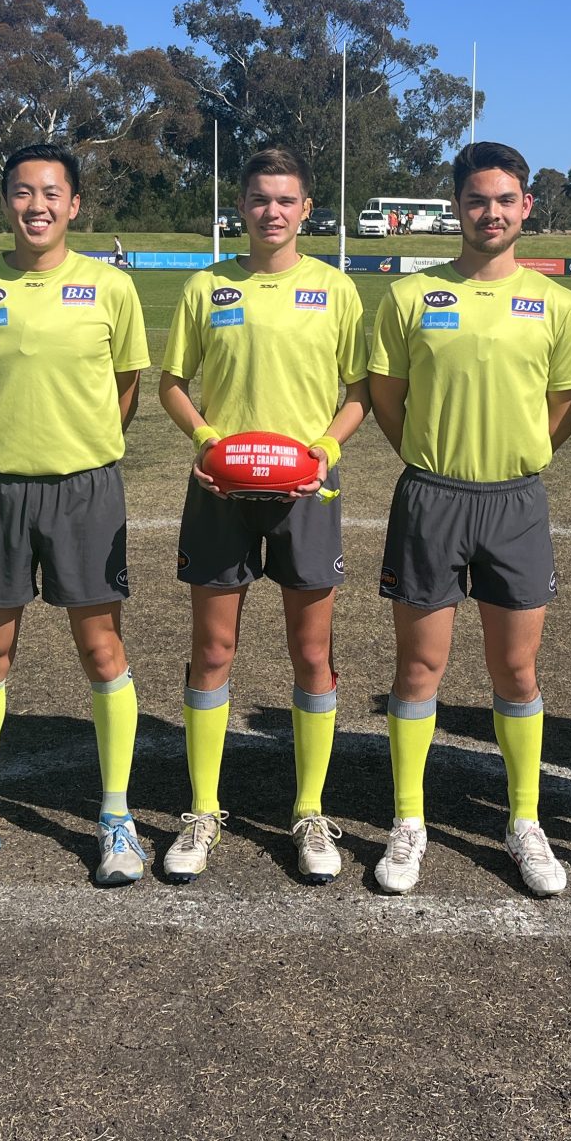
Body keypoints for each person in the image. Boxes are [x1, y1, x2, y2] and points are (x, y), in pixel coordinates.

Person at [0, 144, 152, 887]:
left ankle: (116, 817)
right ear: (6, 202)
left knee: (101, 652)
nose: (37, 206)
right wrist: (11, 441)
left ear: (76, 203)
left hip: (86, 490)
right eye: (23, 193)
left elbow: (126, 387)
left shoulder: (109, 286)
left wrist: (76, 442)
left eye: (51, 192)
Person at [369, 141, 571, 897]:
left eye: (504, 200)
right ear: (455, 207)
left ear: (526, 206)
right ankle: (408, 821)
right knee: (419, 668)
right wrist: (433, 458)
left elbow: (562, 409)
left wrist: (517, 454)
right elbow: (389, 398)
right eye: (475, 200)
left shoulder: (558, 304)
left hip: (516, 502)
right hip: (431, 496)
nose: (490, 213)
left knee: (516, 670)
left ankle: (523, 819)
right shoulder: (409, 297)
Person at [157, 147, 368, 884]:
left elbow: (358, 392)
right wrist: (208, 439)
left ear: (307, 209)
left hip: (306, 497)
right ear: (240, 207)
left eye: (285, 200)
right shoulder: (208, 287)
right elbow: (173, 383)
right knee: (213, 652)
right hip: (221, 495)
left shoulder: (336, 290)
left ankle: (308, 810)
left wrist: (322, 450)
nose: (271, 212)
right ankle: (204, 808)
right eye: (257, 199)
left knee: (311, 654)